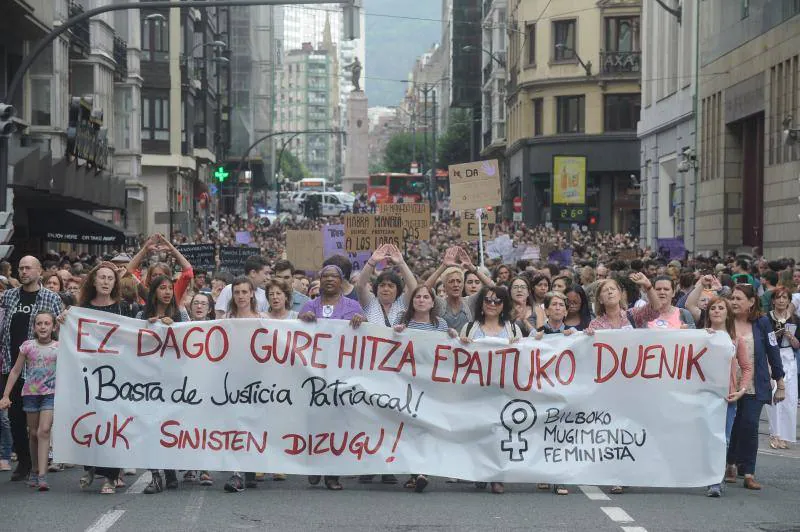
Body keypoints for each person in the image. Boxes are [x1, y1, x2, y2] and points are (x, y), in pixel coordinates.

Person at [585, 272, 659, 495]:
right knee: (613, 429)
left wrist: (648, 286)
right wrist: (586, 337)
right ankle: (616, 474)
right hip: (609, 386)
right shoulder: (596, 323)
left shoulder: (633, 316)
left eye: (613, 288)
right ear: (599, 299)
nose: (609, 292)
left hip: (634, 383)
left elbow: (655, 310)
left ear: (620, 294)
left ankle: (633, 469)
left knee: (632, 428)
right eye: (605, 290)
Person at [299, 264, 366, 491]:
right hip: (314, 374)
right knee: (315, 421)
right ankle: (315, 466)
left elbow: (367, 337)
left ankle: (332, 474)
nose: (329, 280)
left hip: (341, 373)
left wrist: (361, 323)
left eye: (333, 276)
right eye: (324, 276)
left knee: (338, 423)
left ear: (341, 281)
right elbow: (293, 335)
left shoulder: (353, 306)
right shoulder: (309, 306)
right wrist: (302, 321)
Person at [0, 256, 63, 481]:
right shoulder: (8, 297)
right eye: (21, 268)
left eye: (28, 268)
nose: (24, 271)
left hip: (41, 370)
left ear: (39, 271)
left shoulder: (51, 298)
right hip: (11, 364)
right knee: (14, 417)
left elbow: (61, 328)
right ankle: (25, 463)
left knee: (39, 423)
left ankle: (40, 465)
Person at [393, 285, 456, 493]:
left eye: (425, 297)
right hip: (407, 383)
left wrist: (453, 336)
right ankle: (416, 472)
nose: (421, 300)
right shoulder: (403, 322)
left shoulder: (441, 325)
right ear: (412, 302)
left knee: (426, 427)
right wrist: (396, 333)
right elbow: (390, 349)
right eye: (417, 297)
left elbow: (448, 352)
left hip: (431, 385)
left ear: (432, 302)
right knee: (410, 427)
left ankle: (421, 471)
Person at [459, 285, 521, 495]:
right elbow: (458, 358)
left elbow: (526, 356)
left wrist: (519, 345)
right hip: (476, 389)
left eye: (497, 301)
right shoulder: (469, 328)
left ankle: (496, 476)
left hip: (504, 388)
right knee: (480, 431)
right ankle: (481, 471)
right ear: (481, 304)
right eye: (488, 300)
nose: (492, 304)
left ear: (504, 305)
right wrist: (462, 343)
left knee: (499, 431)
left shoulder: (513, 329)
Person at [724, 284, 785, 490]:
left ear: (751, 302)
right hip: (729, 384)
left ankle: (749, 472)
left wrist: (780, 380)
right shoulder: (724, 320)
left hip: (754, 384)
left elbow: (773, 351)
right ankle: (730, 465)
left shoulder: (763, 322)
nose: (734, 302)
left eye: (739, 299)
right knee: (732, 425)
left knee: (749, 425)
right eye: (732, 298)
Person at [136, 275, 188, 494]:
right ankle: (155, 475)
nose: (167, 292)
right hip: (148, 381)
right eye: (162, 288)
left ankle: (170, 472)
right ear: (154, 292)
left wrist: (174, 326)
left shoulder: (181, 314)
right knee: (150, 427)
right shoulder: (141, 315)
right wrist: (150, 326)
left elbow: (190, 342)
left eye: (170, 288)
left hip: (174, 382)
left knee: (170, 428)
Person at [0, 311, 57, 491]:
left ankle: (42, 475)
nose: (43, 327)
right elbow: (16, 371)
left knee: (44, 430)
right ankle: (34, 469)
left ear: (53, 327)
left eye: (47, 323)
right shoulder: (27, 346)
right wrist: (6, 395)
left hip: (50, 394)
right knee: (32, 433)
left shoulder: (59, 347)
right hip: (30, 395)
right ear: (34, 327)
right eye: (39, 323)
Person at [705, 297, 753, 497]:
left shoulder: (736, 340)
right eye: (713, 308)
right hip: (703, 397)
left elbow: (747, 367)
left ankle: (716, 480)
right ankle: (703, 475)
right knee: (704, 438)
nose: (716, 311)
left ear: (727, 313)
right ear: (708, 313)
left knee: (723, 439)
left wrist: (741, 390)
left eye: (721, 308)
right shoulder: (701, 336)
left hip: (726, 398)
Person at [222, 277, 265, 493]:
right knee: (235, 425)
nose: (240, 296)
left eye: (244, 292)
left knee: (253, 425)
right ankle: (236, 473)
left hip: (258, 381)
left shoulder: (263, 319)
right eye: (236, 292)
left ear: (251, 295)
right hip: (233, 380)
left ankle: (250, 469)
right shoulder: (226, 320)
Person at [531, 291, 575, 496]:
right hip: (542, 389)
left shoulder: (574, 334)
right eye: (554, 305)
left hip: (564, 390)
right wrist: (536, 339)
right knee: (543, 431)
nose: (558, 308)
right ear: (546, 310)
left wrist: (579, 337)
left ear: (566, 311)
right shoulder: (536, 334)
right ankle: (543, 473)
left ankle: (559, 477)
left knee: (561, 434)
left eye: (561, 305)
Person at [425, 246, 495, 332]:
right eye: (451, 281)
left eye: (459, 281)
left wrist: (471, 267)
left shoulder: (469, 302)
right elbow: (424, 290)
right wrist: (443, 266)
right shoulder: (439, 303)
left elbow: (492, 287)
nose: (456, 285)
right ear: (444, 286)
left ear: (463, 285)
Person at [185, 292, 215, 486]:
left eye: (203, 304)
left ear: (210, 309)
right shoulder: (181, 328)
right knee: (188, 425)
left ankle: (204, 466)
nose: (199, 307)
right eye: (196, 303)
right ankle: (189, 466)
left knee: (206, 426)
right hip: (186, 383)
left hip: (209, 383)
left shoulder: (217, 329)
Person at [764, 287, 799, 449]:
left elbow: (797, 345)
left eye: (785, 297)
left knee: (790, 398)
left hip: (789, 357)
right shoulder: (766, 319)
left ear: (789, 300)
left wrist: (790, 337)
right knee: (773, 395)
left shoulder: (795, 319)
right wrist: (776, 334)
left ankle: (785, 435)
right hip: (773, 357)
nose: (781, 300)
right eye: (778, 297)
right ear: (773, 300)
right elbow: (764, 341)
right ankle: (774, 433)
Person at [356, 244, 416, 331]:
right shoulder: (370, 302)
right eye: (382, 285)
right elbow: (360, 286)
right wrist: (372, 261)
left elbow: (413, 288)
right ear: (377, 288)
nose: (386, 289)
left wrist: (401, 263)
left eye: (391, 286)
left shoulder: (402, 302)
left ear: (398, 289)